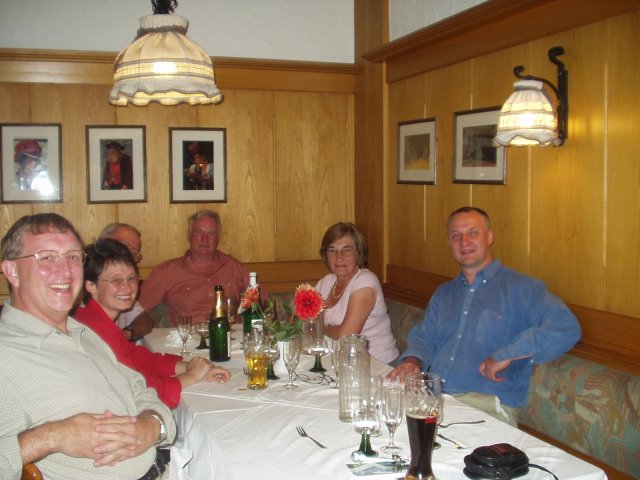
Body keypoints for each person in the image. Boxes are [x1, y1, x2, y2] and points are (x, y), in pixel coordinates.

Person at [0, 213, 175, 479]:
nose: (66, 271)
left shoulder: (81, 332)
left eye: (73, 257)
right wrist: (50, 437)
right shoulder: (6, 353)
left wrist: (152, 425)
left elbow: (140, 389)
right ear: (12, 271)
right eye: (47, 257)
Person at [388, 206, 581, 426]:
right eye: (456, 236)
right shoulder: (444, 293)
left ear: (489, 237)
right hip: (433, 400)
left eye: (473, 233)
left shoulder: (522, 288)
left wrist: (509, 354)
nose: (464, 242)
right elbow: (425, 337)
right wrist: (413, 361)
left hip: (485, 408)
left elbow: (566, 327)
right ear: (449, 243)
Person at [74, 239, 231, 409]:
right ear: (91, 285)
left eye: (131, 278)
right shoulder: (93, 330)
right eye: (116, 280)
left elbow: (140, 360)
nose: (127, 288)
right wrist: (191, 377)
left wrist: (193, 368)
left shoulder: (97, 319)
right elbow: (135, 391)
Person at [139, 210, 253, 326]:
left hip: (230, 334)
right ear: (189, 235)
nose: (205, 239)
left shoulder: (234, 267)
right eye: (199, 232)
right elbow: (137, 309)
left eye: (211, 233)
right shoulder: (167, 272)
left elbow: (260, 302)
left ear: (218, 238)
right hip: (189, 335)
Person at [315, 222, 399, 364]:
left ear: (358, 253)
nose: (339, 257)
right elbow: (297, 319)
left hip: (375, 365)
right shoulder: (326, 282)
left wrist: (317, 325)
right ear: (325, 254)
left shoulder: (366, 281)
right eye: (332, 250)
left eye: (347, 250)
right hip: (336, 361)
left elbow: (346, 337)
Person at [99, 222, 153, 342]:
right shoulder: (86, 282)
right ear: (103, 243)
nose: (127, 254)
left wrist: (127, 334)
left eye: (133, 252)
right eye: (123, 246)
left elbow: (145, 320)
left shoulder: (126, 287)